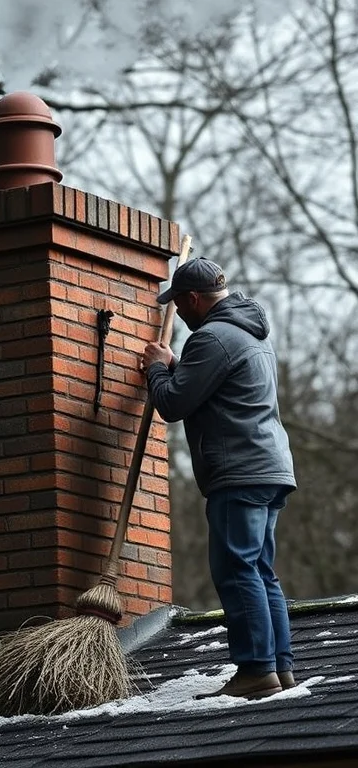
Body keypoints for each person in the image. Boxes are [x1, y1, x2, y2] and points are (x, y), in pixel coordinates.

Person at [141, 257, 296, 700]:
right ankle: (278, 668)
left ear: (192, 299)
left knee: (235, 569)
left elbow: (172, 404)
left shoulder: (211, 337)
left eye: (180, 304)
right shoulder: (250, 334)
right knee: (260, 569)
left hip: (239, 472)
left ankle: (255, 670)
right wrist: (176, 365)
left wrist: (156, 367)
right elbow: (205, 387)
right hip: (270, 468)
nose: (181, 314)